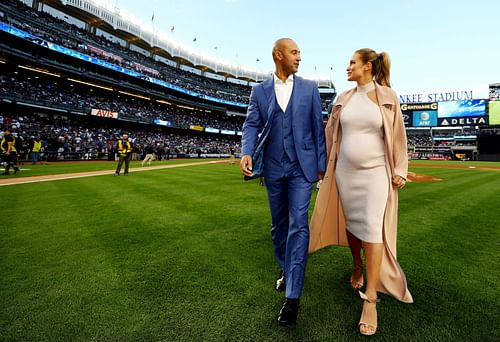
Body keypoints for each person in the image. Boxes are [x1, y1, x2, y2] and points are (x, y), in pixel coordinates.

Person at [309, 48, 413, 336]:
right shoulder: (343, 98)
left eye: (352, 62)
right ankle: (357, 265)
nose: (348, 67)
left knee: (371, 227)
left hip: (376, 173)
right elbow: (331, 134)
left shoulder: (388, 96)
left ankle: (371, 298)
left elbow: (398, 135)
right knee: (353, 225)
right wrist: (323, 167)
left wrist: (399, 169)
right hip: (345, 173)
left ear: (367, 66)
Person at [240, 38, 326, 326]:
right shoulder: (259, 91)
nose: (299, 57)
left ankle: (293, 297)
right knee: (279, 225)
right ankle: (286, 270)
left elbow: (318, 128)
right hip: (274, 168)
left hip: (302, 168)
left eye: (300, 52)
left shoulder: (310, 88)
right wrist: (246, 152)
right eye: (294, 52)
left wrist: (321, 167)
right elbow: (251, 124)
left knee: (299, 224)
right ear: (279, 55)